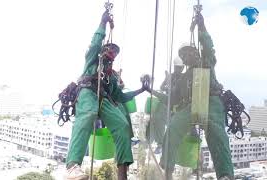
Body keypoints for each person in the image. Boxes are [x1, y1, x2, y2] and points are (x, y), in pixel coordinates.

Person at [65, 10, 149, 180]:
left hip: (103, 98)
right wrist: (102, 23)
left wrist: (141, 90)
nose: (111, 53)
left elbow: (121, 96)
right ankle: (73, 165)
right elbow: (95, 43)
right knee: (87, 115)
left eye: (114, 52)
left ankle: (122, 172)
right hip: (87, 91)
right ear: (103, 50)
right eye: (109, 50)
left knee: (123, 125)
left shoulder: (111, 76)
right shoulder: (93, 60)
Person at [159, 12, 234, 180]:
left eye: (188, 53)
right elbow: (174, 99)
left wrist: (202, 26)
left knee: (216, 134)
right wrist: (152, 92)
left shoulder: (206, 62)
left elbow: (208, 46)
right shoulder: (184, 78)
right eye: (183, 56)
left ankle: (225, 175)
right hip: (193, 106)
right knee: (173, 127)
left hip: (211, 100)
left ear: (196, 52)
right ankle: (167, 170)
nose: (186, 57)